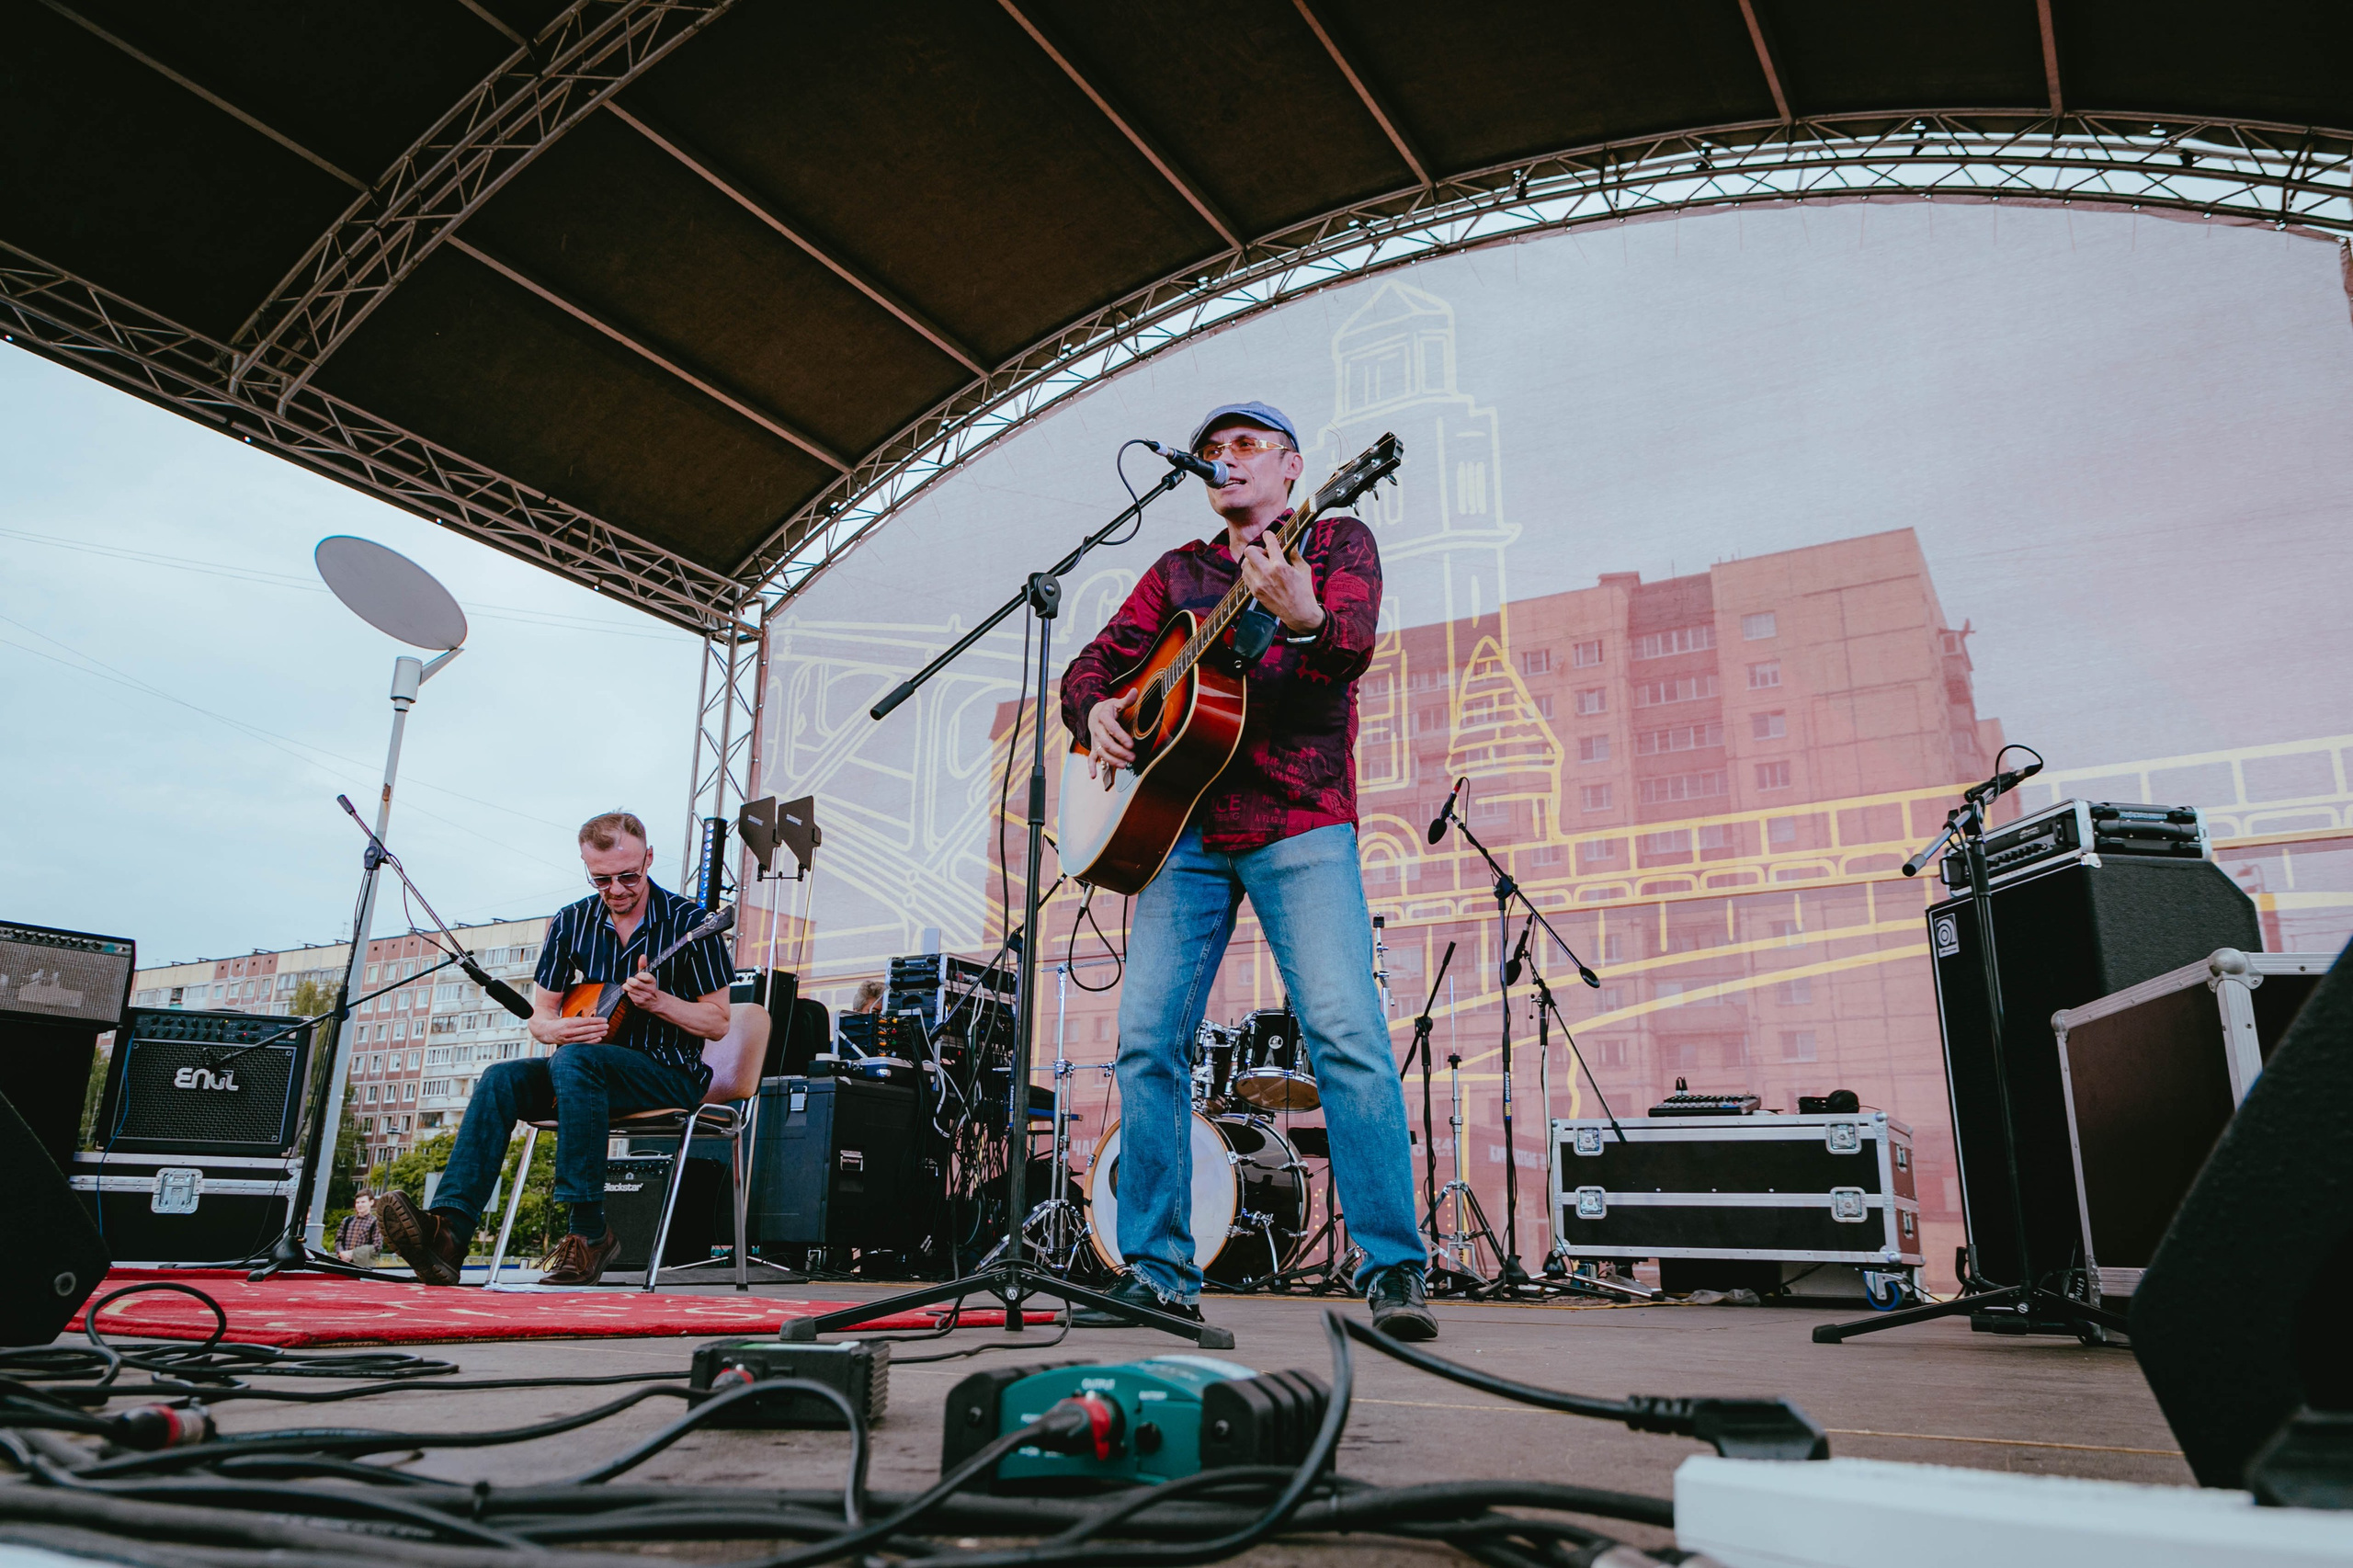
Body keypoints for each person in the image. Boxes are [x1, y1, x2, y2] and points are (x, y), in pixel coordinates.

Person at [1059, 401, 1437, 1341]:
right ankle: (1156, 1271)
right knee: (1147, 1043)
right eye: (1213, 449)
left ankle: (1393, 1268)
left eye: (1244, 446)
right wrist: (1094, 711)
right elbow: (1092, 665)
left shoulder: (1334, 539)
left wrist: (1304, 616)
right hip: (1180, 829)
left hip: (1298, 817)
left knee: (1345, 1032)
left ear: (1292, 466)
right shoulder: (1178, 572)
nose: (1223, 460)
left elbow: (1349, 647)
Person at [376, 811, 734, 1288]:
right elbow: (541, 1016)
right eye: (602, 879)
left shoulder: (690, 922)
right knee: (501, 1079)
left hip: (667, 1074)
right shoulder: (571, 921)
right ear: (586, 868)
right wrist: (555, 1031)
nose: (617, 889)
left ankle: (588, 1233)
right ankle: (450, 1232)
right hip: (581, 1072)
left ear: (649, 859)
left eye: (629, 876)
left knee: (576, 1061)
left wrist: (659, 1002)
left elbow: (719, 1023)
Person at [335, 1191, 382, 1267]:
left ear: (371, 1202)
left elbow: (377, 1247)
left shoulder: (376, 1223)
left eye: (363, 1202)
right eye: (357, 1202)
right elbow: (338, 1240)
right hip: (343, 1264)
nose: (359, 1205)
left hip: (363, 1266)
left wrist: (353, 1254)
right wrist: (341, 1253)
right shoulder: (347, 1220)